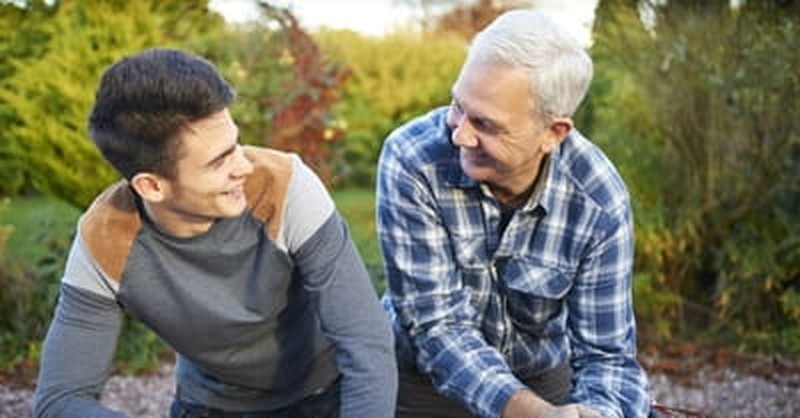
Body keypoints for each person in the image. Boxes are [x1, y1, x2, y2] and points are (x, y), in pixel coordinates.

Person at [33, 47, 397, 418]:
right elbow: (59, 401)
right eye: (219, 161)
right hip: (212, 406)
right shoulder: (107, 239)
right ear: (152, 186)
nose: (243, 165)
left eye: (235, 144)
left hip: (329, 394)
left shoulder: (286, 187)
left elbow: (366, 345)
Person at [376, 9, 652, 418]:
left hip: (540, 376)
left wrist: (598, 412)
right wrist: (535, 414)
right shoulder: (412, 159)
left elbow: (607, 356)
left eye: (485, 124)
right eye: (458, 105)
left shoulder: (598, 200)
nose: (460, 134)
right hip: (421, 380)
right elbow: (436, 326)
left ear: (553, 133)